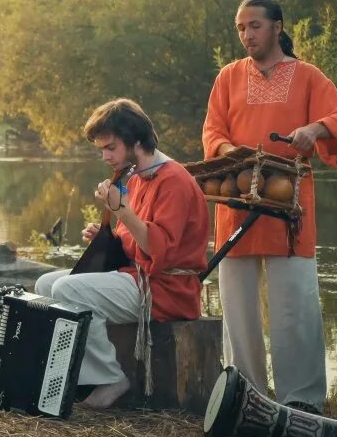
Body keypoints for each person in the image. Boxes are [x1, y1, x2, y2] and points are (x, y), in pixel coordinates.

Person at [202, 0, 337, 413]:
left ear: (276, 27)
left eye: (254, 26)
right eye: (240, 28)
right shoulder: (228, 77)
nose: (246, 35)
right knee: (238, 309)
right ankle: (246, 396)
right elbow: (212, 129)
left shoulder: (307, 76)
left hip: (291, 209)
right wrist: (234, 154)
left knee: (296, 307)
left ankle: (302, 401)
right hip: (236, 201)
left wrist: (314, 128)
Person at [35, 99, 209, 409]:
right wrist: (110, 239)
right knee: (46, 285)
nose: (105, 156)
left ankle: (110, 377)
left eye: (111, 147)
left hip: (167, 290)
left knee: (66, 289)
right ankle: (74, 376)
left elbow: (159, 252)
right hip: (138, 277)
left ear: (136, 140)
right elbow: (135, 242)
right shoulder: (138, 177)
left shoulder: (173, 181)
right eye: (101, 149)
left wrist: (120, 209)